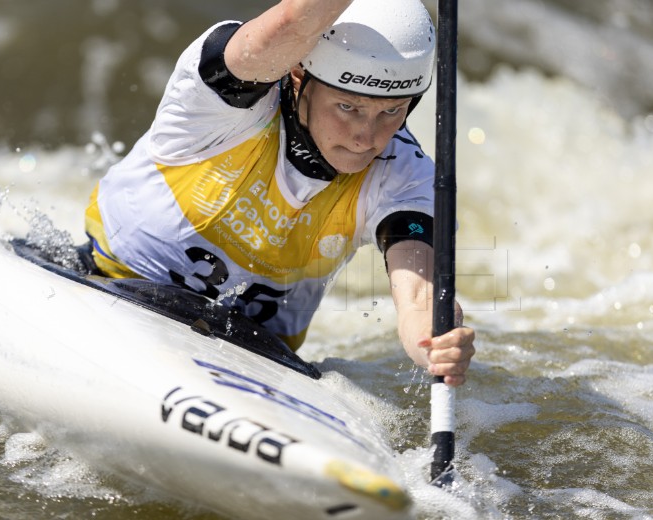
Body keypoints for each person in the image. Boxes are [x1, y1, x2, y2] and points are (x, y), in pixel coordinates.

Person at [85, 0, 475, 386]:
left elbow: (419, 293)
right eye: (347, 106)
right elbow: (292, 21)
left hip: (255, 353)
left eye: (391, 112)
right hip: (104, 284)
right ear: (298, 75)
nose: (366, 137)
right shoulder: (222, 103)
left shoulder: (407, 175)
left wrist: (434, 338)